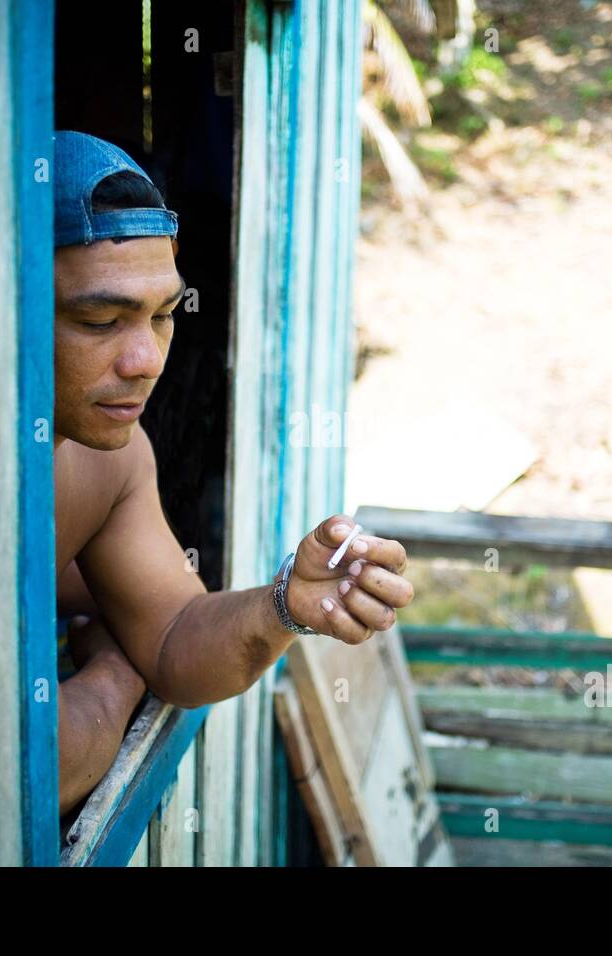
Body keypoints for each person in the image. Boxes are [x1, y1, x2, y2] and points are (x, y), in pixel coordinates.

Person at [51, 131, 415, 814]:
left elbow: (173, 636)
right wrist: (116, 671)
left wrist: (283, 604)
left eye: (162, 316)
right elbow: (29, 765)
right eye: (101, 320)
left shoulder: (114, 460)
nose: (146, 360)